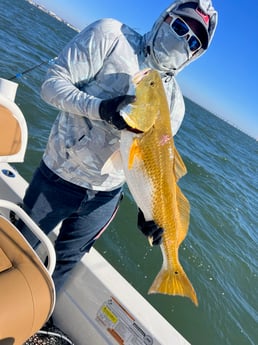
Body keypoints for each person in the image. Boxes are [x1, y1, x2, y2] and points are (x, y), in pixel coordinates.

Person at [19, 0, 218, 294]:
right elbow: (51, 85)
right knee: (18, 251)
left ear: (196, 55)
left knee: (67, 263)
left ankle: (34, 318)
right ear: (165, 18)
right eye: (179, 26)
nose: (182, 41)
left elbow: (155, 165)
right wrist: (102, 109)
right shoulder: (111, 35)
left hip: (105, 199)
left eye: (193, 42)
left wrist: (149, 211)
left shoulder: (175, 105)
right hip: (58, 177)